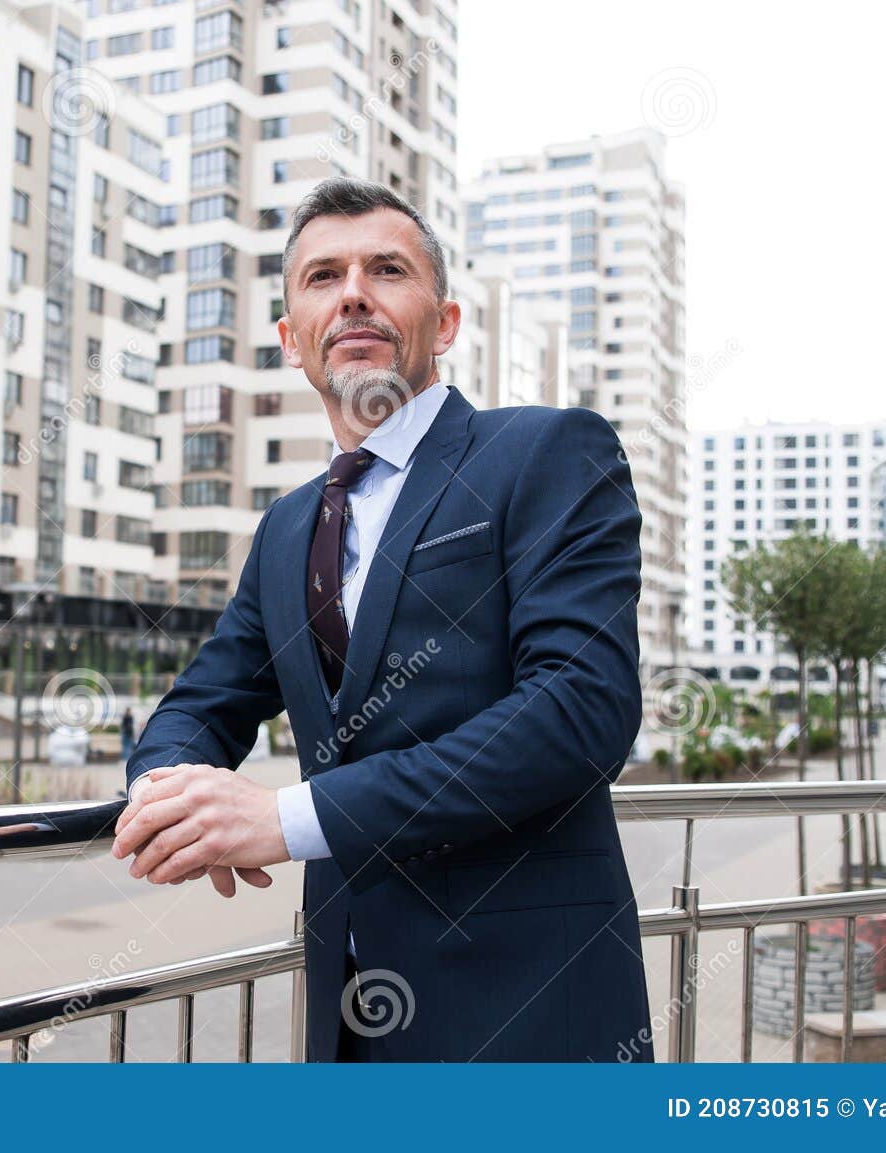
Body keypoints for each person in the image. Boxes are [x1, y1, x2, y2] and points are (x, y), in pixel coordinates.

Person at [111, 177, 652, 1062]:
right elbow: (203, 701)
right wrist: (171, 794)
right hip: (350, 1017)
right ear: (292, 340)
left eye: (386, 269)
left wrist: (286, 819)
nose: (353, 290)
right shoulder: (287, 527)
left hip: (533, 1010)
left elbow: (580, 709)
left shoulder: (547, 451)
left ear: (444, 323)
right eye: (322, 276)